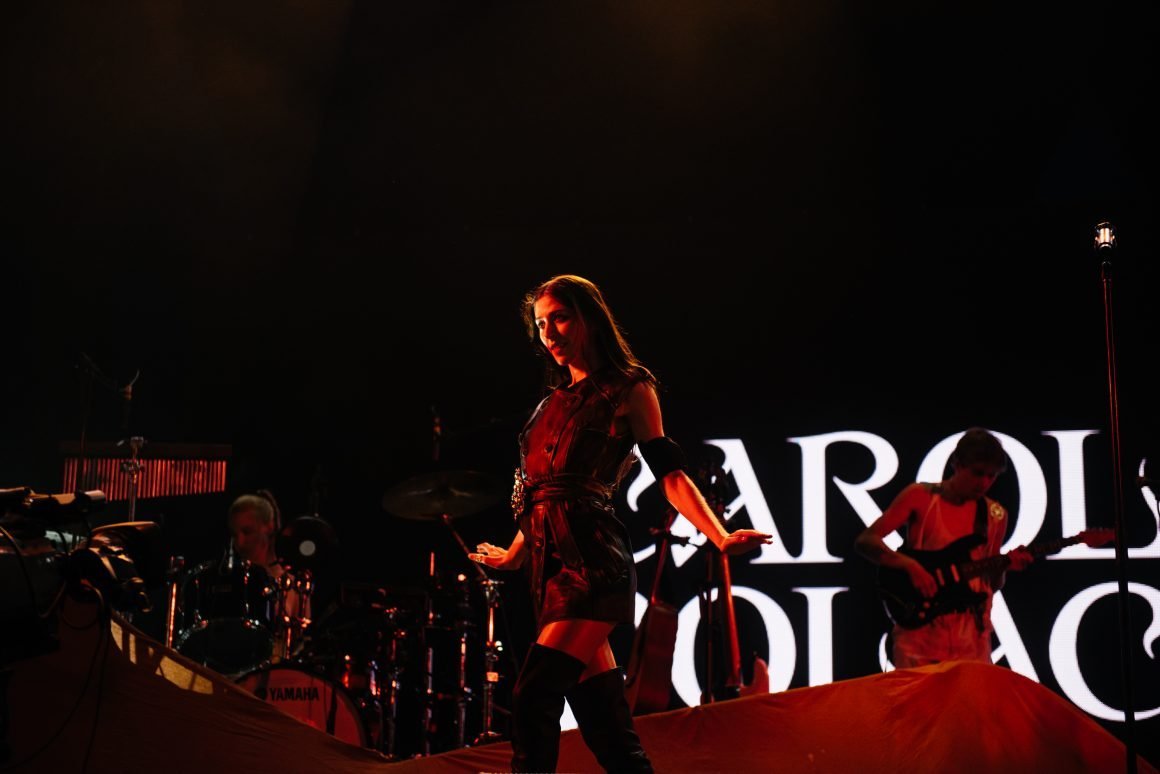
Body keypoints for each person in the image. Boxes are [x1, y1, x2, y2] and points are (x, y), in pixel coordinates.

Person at [468, 275, 772, 773]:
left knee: (534, 696)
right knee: (606, 727)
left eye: (560, 318)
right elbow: (545, 493)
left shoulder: (628, 388)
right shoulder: (548, 405)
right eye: (540, 324)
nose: (549, 333)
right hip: (549, 570)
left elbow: (670, 474)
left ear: (589, 318)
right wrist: (515, 553)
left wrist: (718, 534)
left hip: (592, 565)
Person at [854, 428, 1033, 668]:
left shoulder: (995, 515)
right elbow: (866, 540)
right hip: (921, 634)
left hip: (970, 637)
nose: (984, 483)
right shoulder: (920, 497)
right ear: (957, 464)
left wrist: (1004, 567)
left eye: (991, 476)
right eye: (977, 473)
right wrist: (910, 566)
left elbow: (990, 584)